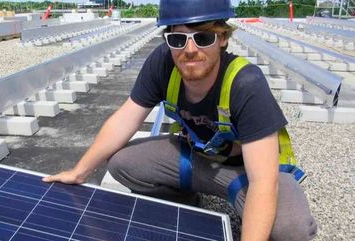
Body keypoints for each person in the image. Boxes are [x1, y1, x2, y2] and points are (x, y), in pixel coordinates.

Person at [43, 0, 317, 240]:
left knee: (290, 230)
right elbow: (126, 118)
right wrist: (80, 171)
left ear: (222, 38)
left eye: (203, 37)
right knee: (121, 163)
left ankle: (240, 203)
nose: (189, 50)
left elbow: (263, 182)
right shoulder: (162, 64)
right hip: (198, 161)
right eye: (178, 39)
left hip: (246, 174)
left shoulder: (246, 84)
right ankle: (184, 202)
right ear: (168, 40)